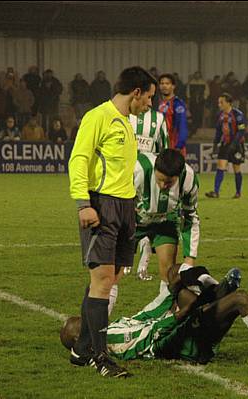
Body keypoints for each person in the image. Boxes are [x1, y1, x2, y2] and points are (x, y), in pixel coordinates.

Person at [68, 66, 156, 378]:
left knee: (111, 278)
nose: (149, 104)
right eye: (148, 98)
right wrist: (83, 203)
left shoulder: (127, 122)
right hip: (101, 205)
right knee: (103, 280)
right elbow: (79, 158)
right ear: (136, 92)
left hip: (125, 207)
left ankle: (81, 348)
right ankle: (101, 358)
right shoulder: (98, 117)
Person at [61, 264, 248, 368]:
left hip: (178, 330)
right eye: (81, 326)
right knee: (237, 299)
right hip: (177, 343)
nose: (88, 322)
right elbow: (145, 341)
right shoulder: (109, 341)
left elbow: (145, 315)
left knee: (180, 274)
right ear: (78, 341)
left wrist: (169, 294)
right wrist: (178, 315)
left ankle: (218, 292)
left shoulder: (113, 326)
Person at [110, 149, 199, 304]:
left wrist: (189, 259)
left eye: (169, 182)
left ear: (178, 176)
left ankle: (162, 321)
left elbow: (191, 216)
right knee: (111, 273)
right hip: (134, 221)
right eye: (160, 180)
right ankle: (99, 323)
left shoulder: (189, 178)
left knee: (168, 272)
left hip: (165, 221)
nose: (164, 185)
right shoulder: (137, 169)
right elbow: (115, 201)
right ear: (155, 170)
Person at [128, 108, 171, 282]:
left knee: (146, 214)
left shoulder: (159, 118)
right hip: (126, 172)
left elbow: (164, 148)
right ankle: (128, 258)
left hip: (149, 174)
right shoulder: (124, 114)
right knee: (128, 215)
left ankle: (141, 264)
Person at [205, 93, 247, 199]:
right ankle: (216, 192)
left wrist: (234, 144)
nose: (219, 104)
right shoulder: (221, 115)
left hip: (237, 145)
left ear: (228, 103)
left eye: (221, 102)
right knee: (220, 166)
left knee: (236, 168)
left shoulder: (238, 114)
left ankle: (238, 192)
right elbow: (219, 131)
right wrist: (215, 143)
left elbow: (241, 131)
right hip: (225, 144)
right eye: (219, 102)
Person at [158, 74, 189, 156]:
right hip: (162, 146)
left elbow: (182, 125)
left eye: (167, 84)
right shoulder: (160, 103)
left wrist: (179, 146)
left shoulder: (177, 103)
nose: (164, 86)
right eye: (162, 83)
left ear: (173, 86)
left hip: (174, 146)